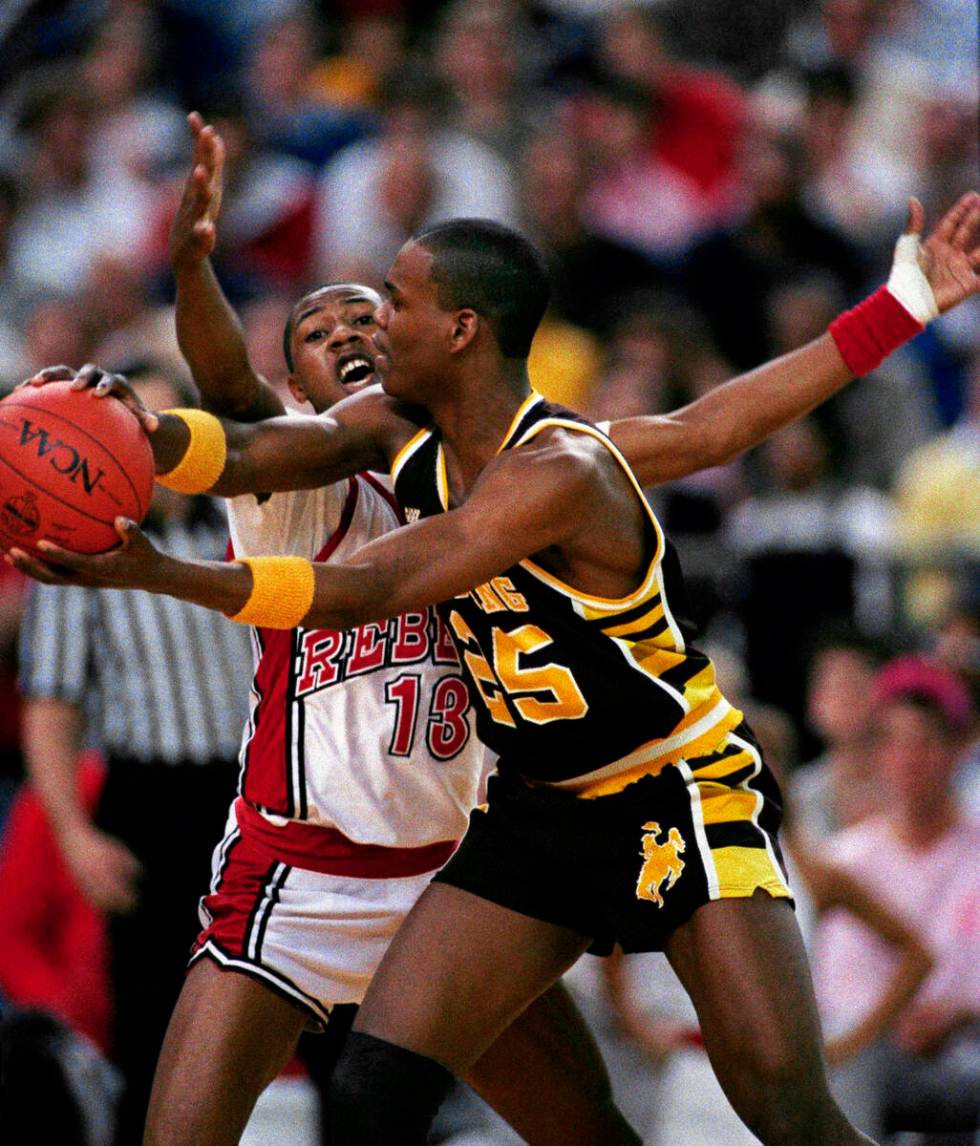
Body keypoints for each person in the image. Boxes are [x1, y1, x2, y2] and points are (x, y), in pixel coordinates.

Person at [14, 190, 980, 1145]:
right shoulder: (396, 433)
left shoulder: (564, 467)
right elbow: (256, 441)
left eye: (392, 301)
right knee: (368, 1091)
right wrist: (135, 433)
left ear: (463, 330)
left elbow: (376, 586)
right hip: (532, 812)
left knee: (786, 1112)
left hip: (672, 789)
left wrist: (157, 572)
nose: (376, 322)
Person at [140, 112, 640, 1146]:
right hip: (297, 872)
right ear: (299, 389)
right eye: (319, 337)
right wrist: (194, 272)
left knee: (589, 1134)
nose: (349, 339)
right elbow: (228, 401)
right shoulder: (290, 488)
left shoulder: (506, 476)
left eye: (368, 321)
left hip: (456, 881)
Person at [16, 362, 253, 1145]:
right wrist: (74, 835)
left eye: (151, 421)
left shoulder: (244, 518)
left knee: (318, 1026)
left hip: (258, 790)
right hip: (150, 800)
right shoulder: (71, 547)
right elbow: (51, 702)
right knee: (153, 1028)